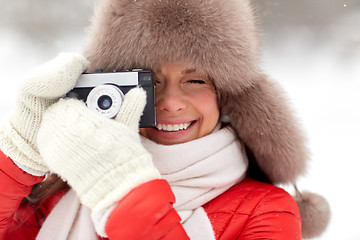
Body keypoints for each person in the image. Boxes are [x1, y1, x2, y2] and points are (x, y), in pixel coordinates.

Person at [0, 0, 330, 239]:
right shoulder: (67, 192)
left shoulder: (267, 210)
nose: (170, 103)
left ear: (224, 95)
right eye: (150, 81)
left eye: (196, 80)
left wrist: (124, 195)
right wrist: (18, 155)